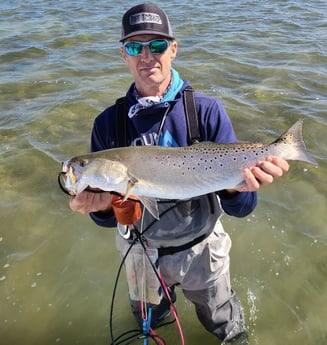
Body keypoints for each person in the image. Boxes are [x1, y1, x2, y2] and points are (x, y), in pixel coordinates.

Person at [69, 3, 289, 343]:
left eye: (157, 45)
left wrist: (239, 189)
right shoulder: (107, 125)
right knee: (149, 319)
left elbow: (244, 209)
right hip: (141, 253)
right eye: (134, 47)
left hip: (203, 249)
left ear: (173, 49)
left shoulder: (206, 111)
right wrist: (99, 208)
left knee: (223, 322)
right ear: (123, 55)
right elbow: (112, 218)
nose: (147, 56)